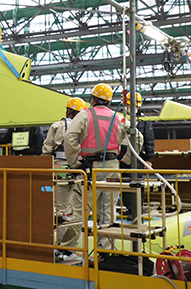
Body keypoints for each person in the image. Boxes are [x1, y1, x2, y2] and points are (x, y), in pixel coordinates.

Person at [64, 83, 128, 249]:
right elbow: (138, 137)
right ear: (108, 101)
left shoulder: (85, 115)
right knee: (109, 212)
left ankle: (69, 249)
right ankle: (106, 251)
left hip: (89, 169)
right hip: (113, 168)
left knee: (80, 210)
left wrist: (74, 162)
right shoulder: (118, 117)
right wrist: (125, 159)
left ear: (92, 99)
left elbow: (70, 137)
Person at [41, 97, 85, 260]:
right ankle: (68, 248)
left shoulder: (57, 126)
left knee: (61, 210)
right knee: (77, 211)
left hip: (58, 170)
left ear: (68, 110)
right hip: (79, 172)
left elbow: (47, 149)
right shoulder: (83, 128)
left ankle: (59, 248)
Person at [120, 92, 154, 219]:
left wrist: (149, 160)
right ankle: (129, 209)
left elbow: (149, 141)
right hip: (123, 157)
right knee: (124, 184)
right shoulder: (120, 119)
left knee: (137, 183)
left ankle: (137, 209)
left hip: (139, 157)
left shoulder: (145, 121)